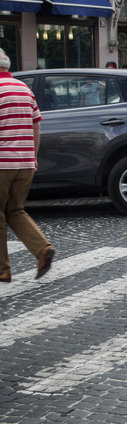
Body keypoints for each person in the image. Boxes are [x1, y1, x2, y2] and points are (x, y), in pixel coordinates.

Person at [0, 48, 55, 283]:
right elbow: (36, 126)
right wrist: (32, 158)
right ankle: (42, 249)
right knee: (15, 210)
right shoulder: (24, 89)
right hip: (24, 163)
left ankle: (2, 270)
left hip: (2, 164)